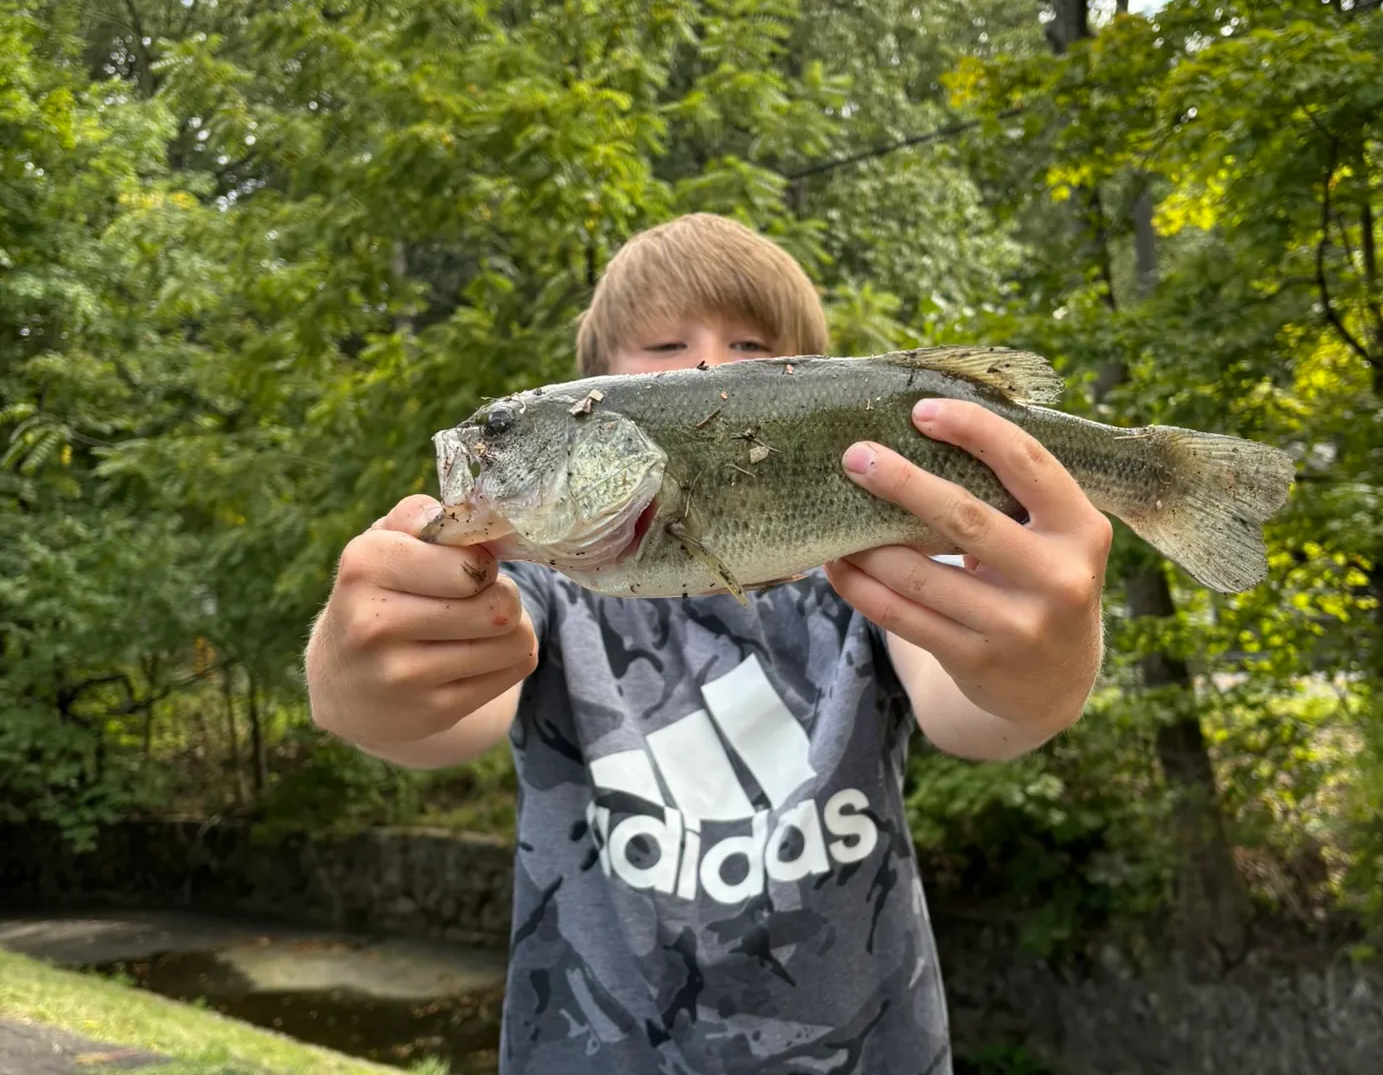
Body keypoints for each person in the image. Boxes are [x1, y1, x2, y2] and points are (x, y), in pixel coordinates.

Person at [305, 213, 1108, 1074]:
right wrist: (357, 679)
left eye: (753, 345)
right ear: (599, 394)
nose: (706, 369)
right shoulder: (543, 587)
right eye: (663, 346)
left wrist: (1049, 673)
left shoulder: (883, 573)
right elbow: (432, 722)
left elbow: (977, 719)